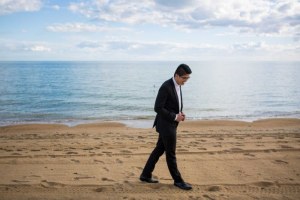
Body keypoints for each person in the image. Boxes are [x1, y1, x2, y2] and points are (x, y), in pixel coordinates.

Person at [140, 64, 192, 190]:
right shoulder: (166, 87)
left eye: (187, 78)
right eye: (184, 78)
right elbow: (157, 108)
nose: (186, 81)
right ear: (176, 75)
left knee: (159, 150)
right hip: (166, 125)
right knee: (171, 154)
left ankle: (145, 175)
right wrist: (175, 117)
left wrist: (179, 114)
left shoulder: (178, 85)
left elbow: (172, 104)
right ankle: (178, 181)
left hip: (171, 123)